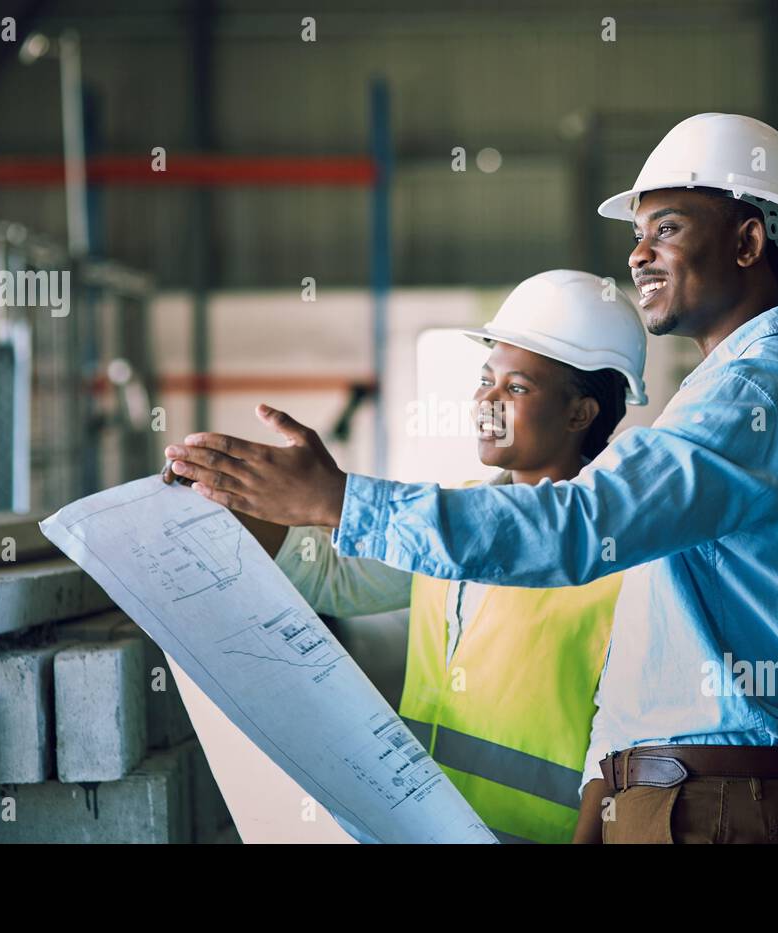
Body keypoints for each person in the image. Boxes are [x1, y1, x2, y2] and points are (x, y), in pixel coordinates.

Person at [166, 113, 778, 844]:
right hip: (664, 793)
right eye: (638, 235)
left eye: (664, 228)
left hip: (708, 799)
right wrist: (612, 772)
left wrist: (339, 498)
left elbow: (574, 527)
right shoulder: (718, 398)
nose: (638, 256)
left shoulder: (754, 400)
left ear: (749, 241)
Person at [218, 269, 649, 844]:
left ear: (580, 413)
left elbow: (624, 741)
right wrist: (229, 498)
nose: (488, 401)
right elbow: (332, 577)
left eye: (517, 388)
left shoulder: (623, 558)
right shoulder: (451, 518)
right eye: (485, 380)